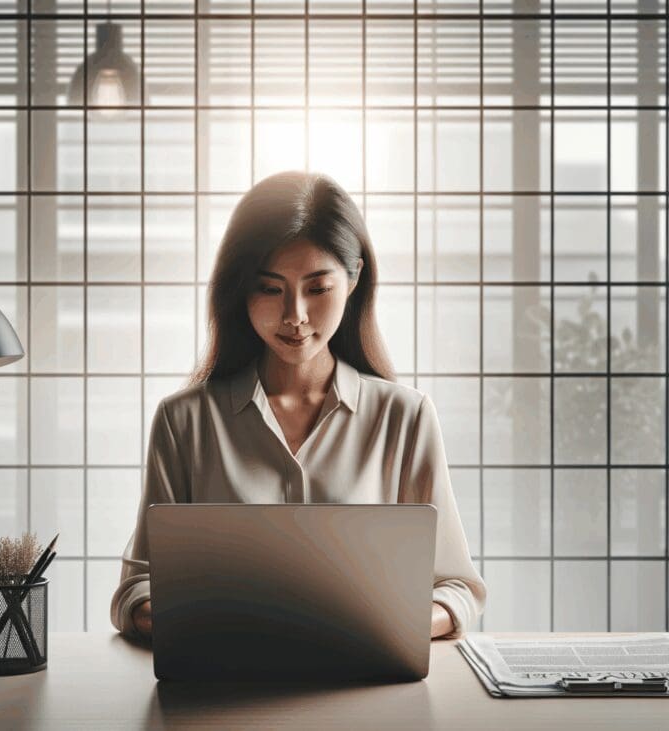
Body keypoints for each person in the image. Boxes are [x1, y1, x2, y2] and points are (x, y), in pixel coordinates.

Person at [110, 171, 487, 641]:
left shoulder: (404, 418)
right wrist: (213, 630)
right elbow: (137, 590)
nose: (295, 316)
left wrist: (377, 629)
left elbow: (456, 588)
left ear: (353, 281)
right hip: (221, 698)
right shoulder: (184, 421)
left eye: (317, 288)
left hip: (366, 699)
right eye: (270, 289)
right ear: (240, 290)